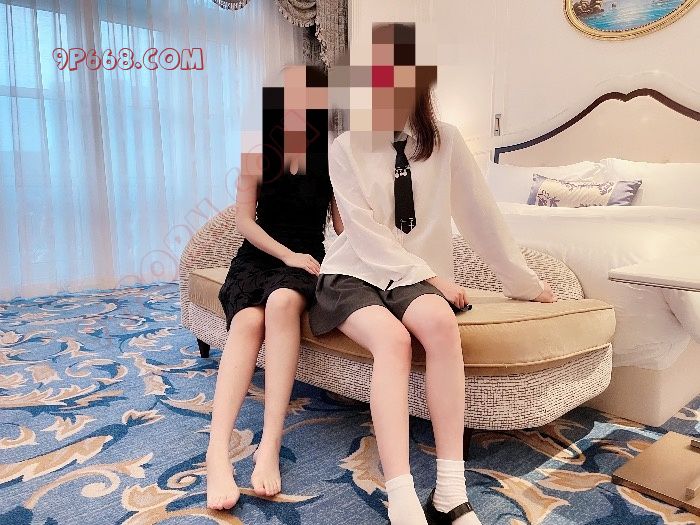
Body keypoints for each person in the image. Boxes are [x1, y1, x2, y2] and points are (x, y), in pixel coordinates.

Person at [309, 24, 556, 525]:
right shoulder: (345, 147)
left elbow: (480, 215)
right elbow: (362, 234)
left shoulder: (446, 141)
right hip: (354, 271)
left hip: (413, 276)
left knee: (441, 326)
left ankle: (450, 492)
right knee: (393, 342)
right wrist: (433, 277)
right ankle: (401, 494)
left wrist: (521, 282)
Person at [206, 65, 343, 510]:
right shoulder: (256, 154)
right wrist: (286, 255)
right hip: (260, 257)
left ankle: (269, 444)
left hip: (305, 261)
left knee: (283, 303)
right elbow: (244, 222)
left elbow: (344, 226)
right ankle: (216, 452)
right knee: (247, 321)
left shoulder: (332, 159)